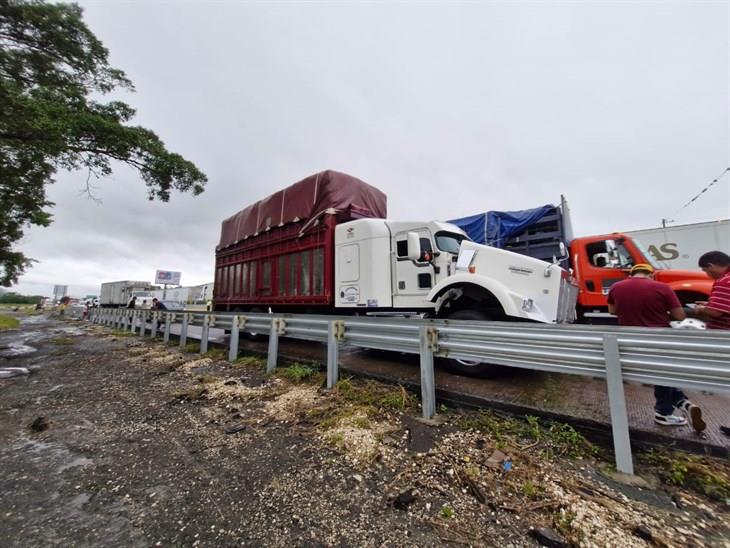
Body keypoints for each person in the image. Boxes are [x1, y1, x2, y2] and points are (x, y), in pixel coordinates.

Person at [607, 263, 705, 430]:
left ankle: (682, 402)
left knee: (657, 375)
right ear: (650, 274)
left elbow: (612, 311)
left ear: (632, 274)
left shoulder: (616, 287)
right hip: (659, 339)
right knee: (663, 374)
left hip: (630, 339)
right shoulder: (662, 287)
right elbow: (679, 316)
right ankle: (665, 412)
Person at [686, 251, 730, 436]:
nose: (706, 274)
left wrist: (701, 309)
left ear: (712, 265)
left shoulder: (724, 281)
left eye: (705, 270)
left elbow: (716, 313)